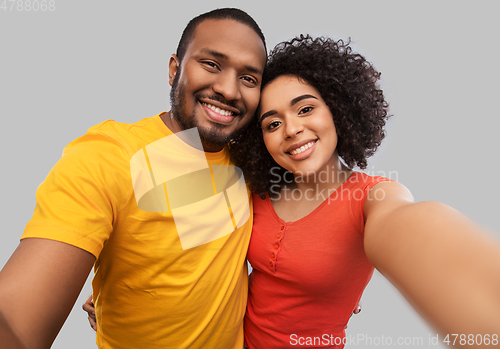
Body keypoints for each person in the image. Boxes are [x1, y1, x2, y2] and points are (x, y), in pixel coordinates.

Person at [0, 8, 267, 349]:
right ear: (174, 70)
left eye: (249, 78)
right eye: (211, 64)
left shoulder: (253, 163)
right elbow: (15, 324)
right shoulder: (109, 156)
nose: (229, 90)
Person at [229, 35, 500, 348]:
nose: (290, 129)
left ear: (337, 109)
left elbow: (408, 225)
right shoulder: (258, 188)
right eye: (272, 124)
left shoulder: (373, 198)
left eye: (305, 109)